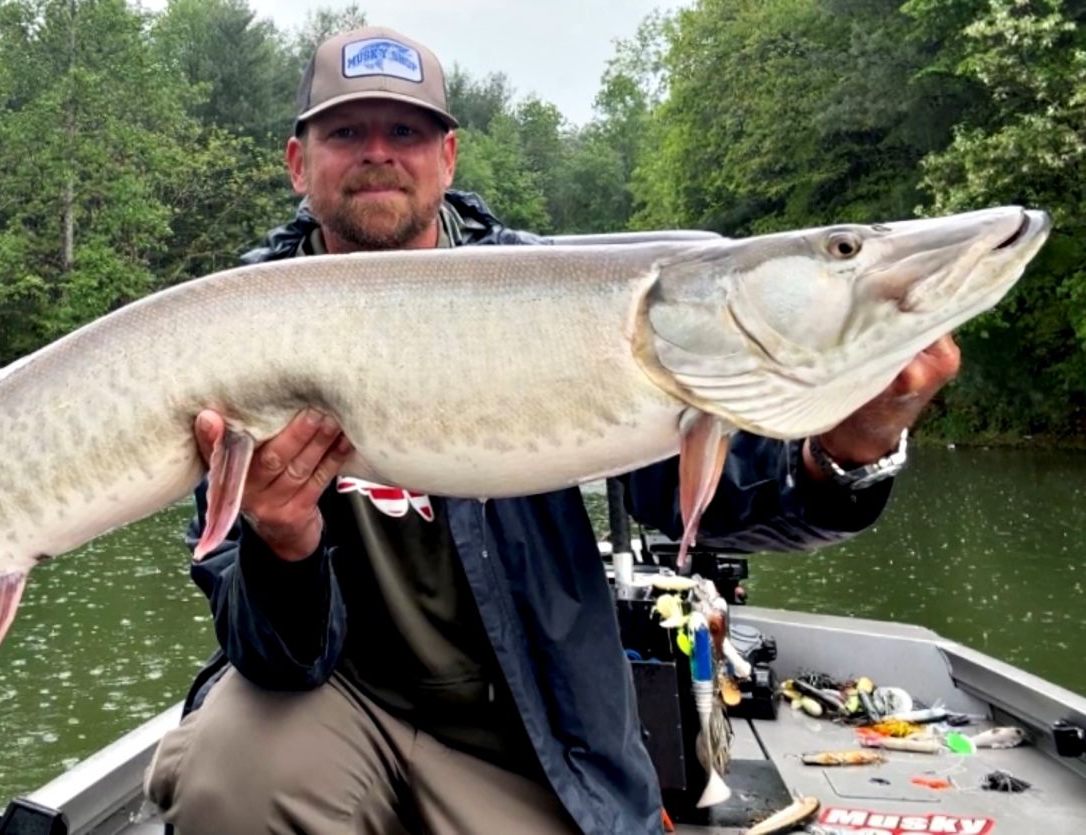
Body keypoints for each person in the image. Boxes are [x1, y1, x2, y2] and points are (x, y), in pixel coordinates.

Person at [143, 25, 959, 835]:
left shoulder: (559, 290)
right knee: (229, 775)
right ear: (298, 162)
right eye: (347, 132)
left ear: (448, 156)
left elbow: (719, 507)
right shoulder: (233, 329)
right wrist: (281, 546)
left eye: (407, 132)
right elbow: (272, 650)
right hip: (338, 709)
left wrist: (853, 447)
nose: (378, 153)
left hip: (527, 737)